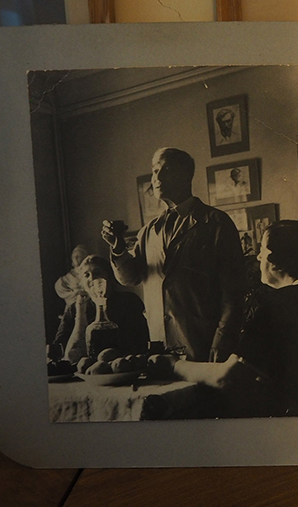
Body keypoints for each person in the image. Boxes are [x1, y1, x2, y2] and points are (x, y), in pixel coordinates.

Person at [101, 147, 246, 362]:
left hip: (203, 344)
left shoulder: (216, 223)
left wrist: (222, 340)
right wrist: (118, 246)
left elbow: (233, 293)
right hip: (161, 347)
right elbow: (130, 277)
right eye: (155, 170)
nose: (157, 177)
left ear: (186, 175)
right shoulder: (149, 230)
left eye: (166, 170)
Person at [168, 220, 298, 418]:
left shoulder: (277, 306)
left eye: (262, 250)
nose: (258, 257)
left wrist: (174, 365)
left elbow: (227, 377)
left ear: (276, 260)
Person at [53, 255, 149, 363]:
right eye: (86, 275)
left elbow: (141, 343)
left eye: (97, 273)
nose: (92, 278)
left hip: (124, 364)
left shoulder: (129, 302)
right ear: (82, 284)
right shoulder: (74, 309)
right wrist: (80, 314)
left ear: (110, 278)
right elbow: (59, 348)